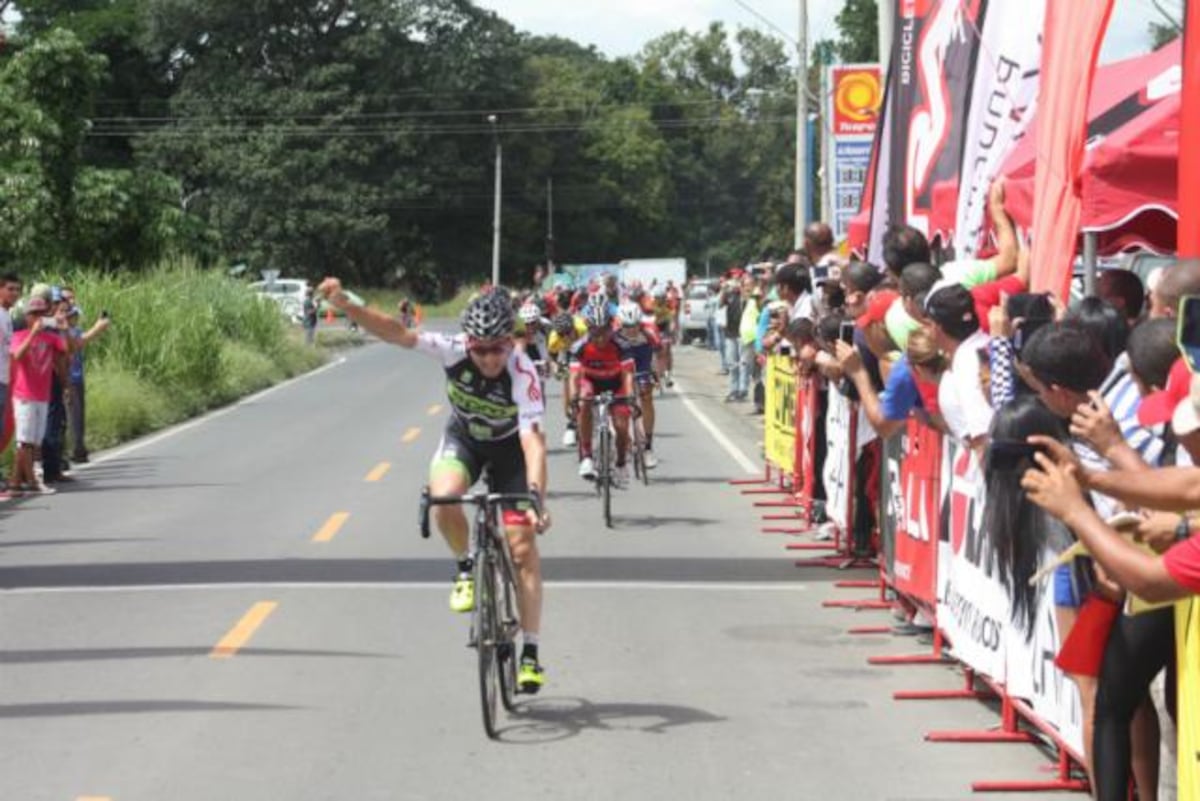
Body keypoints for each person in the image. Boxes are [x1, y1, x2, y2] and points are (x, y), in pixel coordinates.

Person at [317, 278, 550, 693]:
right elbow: (397, 332)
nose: (489, 358)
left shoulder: (522, 369)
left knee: (522, 545)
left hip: (510, 450)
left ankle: (530, 652)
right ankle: (465, 568)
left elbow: (533, 439)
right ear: (469, 343)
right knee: (443, 498)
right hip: (464, 439)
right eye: (480, 349)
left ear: (509, 343)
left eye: (498, 348)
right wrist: (348, 306)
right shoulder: (452, 349)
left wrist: (535, 496)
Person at [923, 282, 993, 453]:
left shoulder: (968, 363)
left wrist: (994, 480)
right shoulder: (983, 345)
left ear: (936, 327)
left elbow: (982, 436)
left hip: (982, 474)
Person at [570, 302, 635, 483]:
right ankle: (587, 456)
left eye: (604, 331)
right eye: (595, 332)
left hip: (616, 383)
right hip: (590, 381)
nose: (600, 338)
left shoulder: (622, 344)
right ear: (589, 329)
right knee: (584, 402)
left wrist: (629, 398)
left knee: (622, 426)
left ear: (611, 327)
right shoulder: (579, 346)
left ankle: (621, 463)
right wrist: (574, 397)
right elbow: (574, 377)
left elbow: (628, 375)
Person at [9, 296, 67, 496]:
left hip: (42, 394)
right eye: (34, 314)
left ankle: (16, 483)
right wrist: (33, 333)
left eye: (42, 313)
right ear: (27, 316)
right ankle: (34, 480)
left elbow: (66, 353)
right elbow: (17, 356)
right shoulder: (20, 334)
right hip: (24, 394)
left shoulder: (51, 338)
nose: (39, 317)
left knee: (34, 441)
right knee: (25, 441)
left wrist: (63, 328)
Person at [615, 301, 661, 469]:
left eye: (634, 325)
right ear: (620, 323)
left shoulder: (649, 332)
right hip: (622, 360)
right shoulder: (614, 336)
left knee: (646, 396)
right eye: (627, 326)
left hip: (642, 358)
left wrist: (656, 374)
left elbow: (657, 356)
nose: (631, 329)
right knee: (619, 399)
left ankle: (648, 446)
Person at [63, 305, 110, 464]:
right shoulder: (61, 330)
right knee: (70, 417)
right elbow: (76, 345)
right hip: (67, 378)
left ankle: (79, 449)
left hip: (76, 377)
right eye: (72, 315)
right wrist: (97, 329)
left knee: (78, 416)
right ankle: (70, 451)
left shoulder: (74, 329)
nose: (74, 318)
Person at [0, 273, 20, 497]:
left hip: (4, 379)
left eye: (17, 289)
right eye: (10, 289)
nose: (14, 293)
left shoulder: (7, 315)